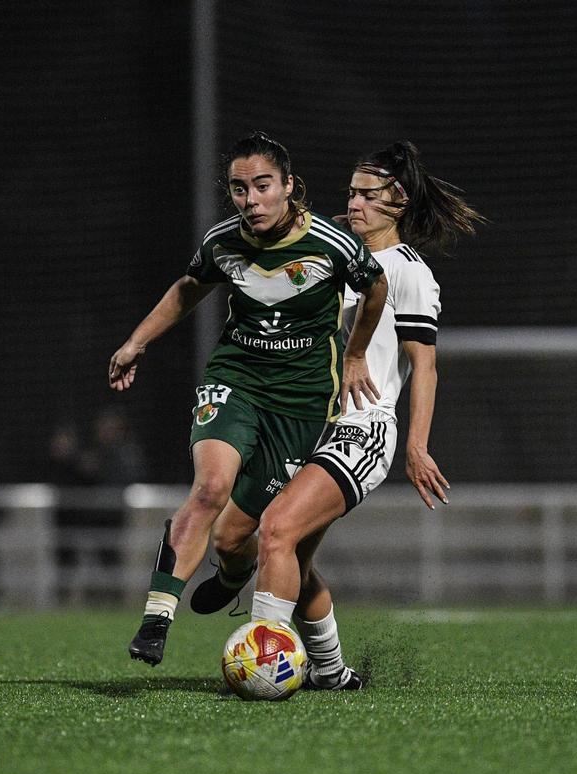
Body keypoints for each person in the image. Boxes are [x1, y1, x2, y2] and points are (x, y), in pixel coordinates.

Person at [190, 140, 485, 690]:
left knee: (277, 531)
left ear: (397, 200)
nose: (352, 204)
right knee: (254, 547)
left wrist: (417, 446)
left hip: (360, 428)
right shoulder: (333, 251)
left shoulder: (406, 272)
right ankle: (331, 672)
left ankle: (265, 661)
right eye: (349, 193)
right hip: (306, 422)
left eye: (366, 196)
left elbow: (425, 367)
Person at [109, 132, 388, 666]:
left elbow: (374, 288)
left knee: (235, 537)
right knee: (210, 486)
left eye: (262, 186)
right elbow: (188, 287)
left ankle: (233, 573)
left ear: (288, 186)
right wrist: (136, 341)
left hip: (302, 402)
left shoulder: (333, 244)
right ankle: (155, 621)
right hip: (235, 378)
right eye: (239, 189)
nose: (250, 200)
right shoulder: (222, 242)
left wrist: (355, 355)